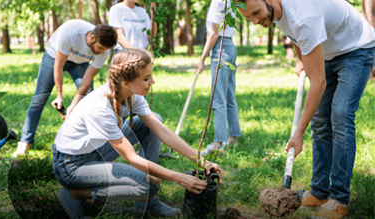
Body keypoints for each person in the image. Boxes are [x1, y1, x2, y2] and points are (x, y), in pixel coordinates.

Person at [238, 0, 375, 218]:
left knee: (340, 114)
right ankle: (320, 192)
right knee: (320, 121)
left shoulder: (303, 16)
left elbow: (318, 82)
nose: (255, 21)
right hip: (328, 51)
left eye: (256, 13)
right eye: (248, 18)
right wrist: (302, 60)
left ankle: (340, 200)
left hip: (356, 49)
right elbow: (294, 35)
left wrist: (298, 133)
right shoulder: (277, 12)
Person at [52, 48, 223, 218]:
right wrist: (179, 178)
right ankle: (74, 194)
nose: (153, 81)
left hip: (95, 152)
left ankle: (148, 204)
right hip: (71, 166)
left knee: (153, 121)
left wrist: (201, 161)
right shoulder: (100, 108)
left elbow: (162, 132)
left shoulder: (131, 95)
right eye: (146, 78)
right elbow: (131, 157)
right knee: (149, 184)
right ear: (126, 82)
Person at [12, 19, 117, 157]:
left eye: (105, 49)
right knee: (39, 98)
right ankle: (25, 142)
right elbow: (59, 66)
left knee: (88, 98)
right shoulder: (70, 33)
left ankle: (82, 145)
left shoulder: (104, 51)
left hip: (80, 63)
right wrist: (59, 95)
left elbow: (86, 80)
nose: (102, 52)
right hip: (54, 56)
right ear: (92, 38)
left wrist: (73, 106)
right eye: (100, 48)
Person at [196, 0, 242, 157]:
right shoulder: (230, 2)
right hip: (230, 46)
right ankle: (233, 138)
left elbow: (214, 34)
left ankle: (218, 143)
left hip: (220, 48)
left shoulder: (218, 2)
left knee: (218, 99)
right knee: (229, 96)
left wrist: (201, 59)